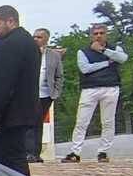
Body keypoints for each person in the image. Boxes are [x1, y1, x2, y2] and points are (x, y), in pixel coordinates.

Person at [0, 6, 40, 176]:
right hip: (17, 112)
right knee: (10, 159)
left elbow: (4, 84)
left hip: (11, 114)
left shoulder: (12, 44)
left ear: (11, 21)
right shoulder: (24, 40)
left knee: (13, 160)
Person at [62, 24, 128, 163]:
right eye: (96, 33)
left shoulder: (114, 49)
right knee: (81, 121)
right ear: (92, 35)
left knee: (108, 121)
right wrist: (107, 63)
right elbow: (85, 68)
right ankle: (75, 151)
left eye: (101, 33)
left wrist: (104, 50)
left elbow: (122, 58)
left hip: (111, 87)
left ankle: (103, 151)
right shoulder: (83, 51)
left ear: (106, 34)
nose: (98, 35)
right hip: (90, 89)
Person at [30, 28, 64, 163]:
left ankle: (35, 153)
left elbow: (59, 75)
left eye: (39, 37)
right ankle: (28, 152)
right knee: (28, 123)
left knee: (38, 124)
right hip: (29, 95)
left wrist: (55, 93)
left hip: (45, 95)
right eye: (34, 37)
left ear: (46, 39)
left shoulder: (54, 56)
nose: (36, 40)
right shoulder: (28, 53)